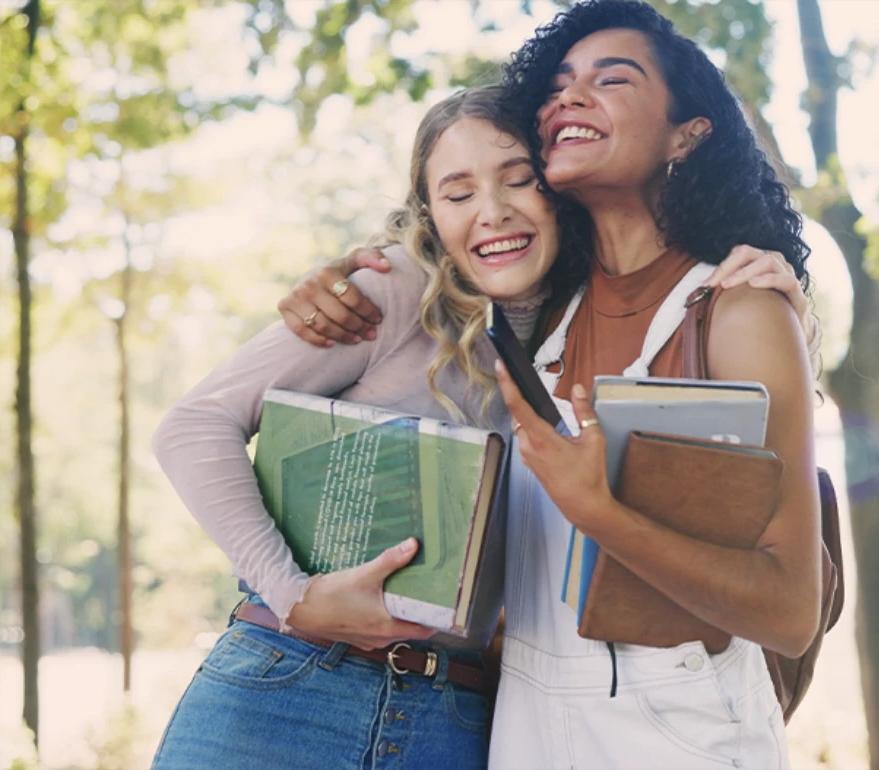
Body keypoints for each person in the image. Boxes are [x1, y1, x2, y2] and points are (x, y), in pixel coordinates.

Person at [151, 82, 807, 770]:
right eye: (458, 194)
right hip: (290, 690)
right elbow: (193, 427)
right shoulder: (394, 289)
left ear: (558, 191)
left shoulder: (588, 325)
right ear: (429, 214)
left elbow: (722, 448)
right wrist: (294, 597)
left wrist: (785, 320)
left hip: (453, 719)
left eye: (518, 181)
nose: (491, 213)